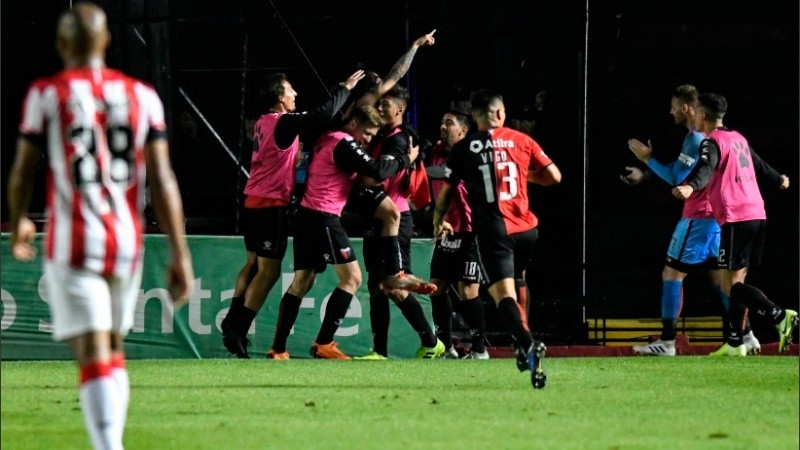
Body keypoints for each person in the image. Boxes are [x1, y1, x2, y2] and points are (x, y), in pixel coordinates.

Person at [6, 3, 194, 449]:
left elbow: (23, 169)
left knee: (93, 352)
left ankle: (108, 446)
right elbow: (163, 180)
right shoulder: (142, 96)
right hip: (127, 244)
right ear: (107, 42)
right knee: (110, 349)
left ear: (61, 44)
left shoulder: (47, 94)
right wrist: (179, 253)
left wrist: (16, 220)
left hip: (74, 244)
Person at [220, 69, 366, 359]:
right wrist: (344, 88)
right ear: (279, 98)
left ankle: (232, 320)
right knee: (269, 271)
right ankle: (239, 328)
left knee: (252, 264)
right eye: (290, 90)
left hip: (251, 200)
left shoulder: (263, 122)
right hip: (270, 204)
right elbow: (320, 115)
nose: (295, 94)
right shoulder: (283, 121)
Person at [266, 105, 421, 360]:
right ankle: (324, 342)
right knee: (353, 279)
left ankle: (278, 348)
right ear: (355, 125)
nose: (369, 140)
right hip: (323, 217)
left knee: (302, 282)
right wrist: (407, 159)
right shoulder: (344, 143)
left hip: (306, 216)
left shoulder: (327, 137)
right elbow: (378, 171)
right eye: (368, 133)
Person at [433, 89, 561, 388]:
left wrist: (439, 219)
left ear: (476, 117)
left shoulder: (465, 148)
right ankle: (522, 340)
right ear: (501, 113)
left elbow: (447, 191)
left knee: (502, 295)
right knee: (519, 279)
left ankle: (526, 343)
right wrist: (523, 175)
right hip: (528, 229)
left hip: (495, 230)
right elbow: (554, 176)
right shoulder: (522, 140)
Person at [623, 85, 760, 356]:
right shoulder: (714, 138)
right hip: (717, 218)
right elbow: (681, 171)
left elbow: (677, 178)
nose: (670, 110)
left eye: (673, 105)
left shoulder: (696, 139)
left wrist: (648, 160)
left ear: (686, 108)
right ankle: (747, 335)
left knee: (672, 272)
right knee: (722, 282)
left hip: (698, 217)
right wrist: (647, 173)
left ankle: (667, 342)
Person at [672, 93, 797, 356]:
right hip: (756, 214)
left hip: (735, 217)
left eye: (696, 111)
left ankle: (779, 316)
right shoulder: (737, 138)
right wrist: (779, 179)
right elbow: (759, 163)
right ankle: (735, 342)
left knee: (730, 286)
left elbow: (707, 167)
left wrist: (689, 187)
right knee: (736, 281)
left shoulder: (712, 142)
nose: (692, 114)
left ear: (703, 116)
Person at [353, 86, 444, 360]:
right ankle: (379, 351)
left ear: (400, 110)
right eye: (379, 104)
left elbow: (376, 176)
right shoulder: (382, 136)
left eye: (386, 104)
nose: (380, 108)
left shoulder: (399, 140)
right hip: (376, 217)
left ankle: (431, 341)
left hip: (396, 217)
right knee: (375, 286)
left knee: (393, 286)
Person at [426, 108, 490, 360]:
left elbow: (448, 175)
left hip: (472, 233)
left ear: (463, 130)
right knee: (437, 287)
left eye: (449, 123)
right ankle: (447, 347)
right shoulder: (437, 151)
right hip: (446, 232)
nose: (443, 127)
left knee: (468, 291)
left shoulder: (473, 153)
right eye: (442, 122)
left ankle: (479, 350)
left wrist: (420, 171)